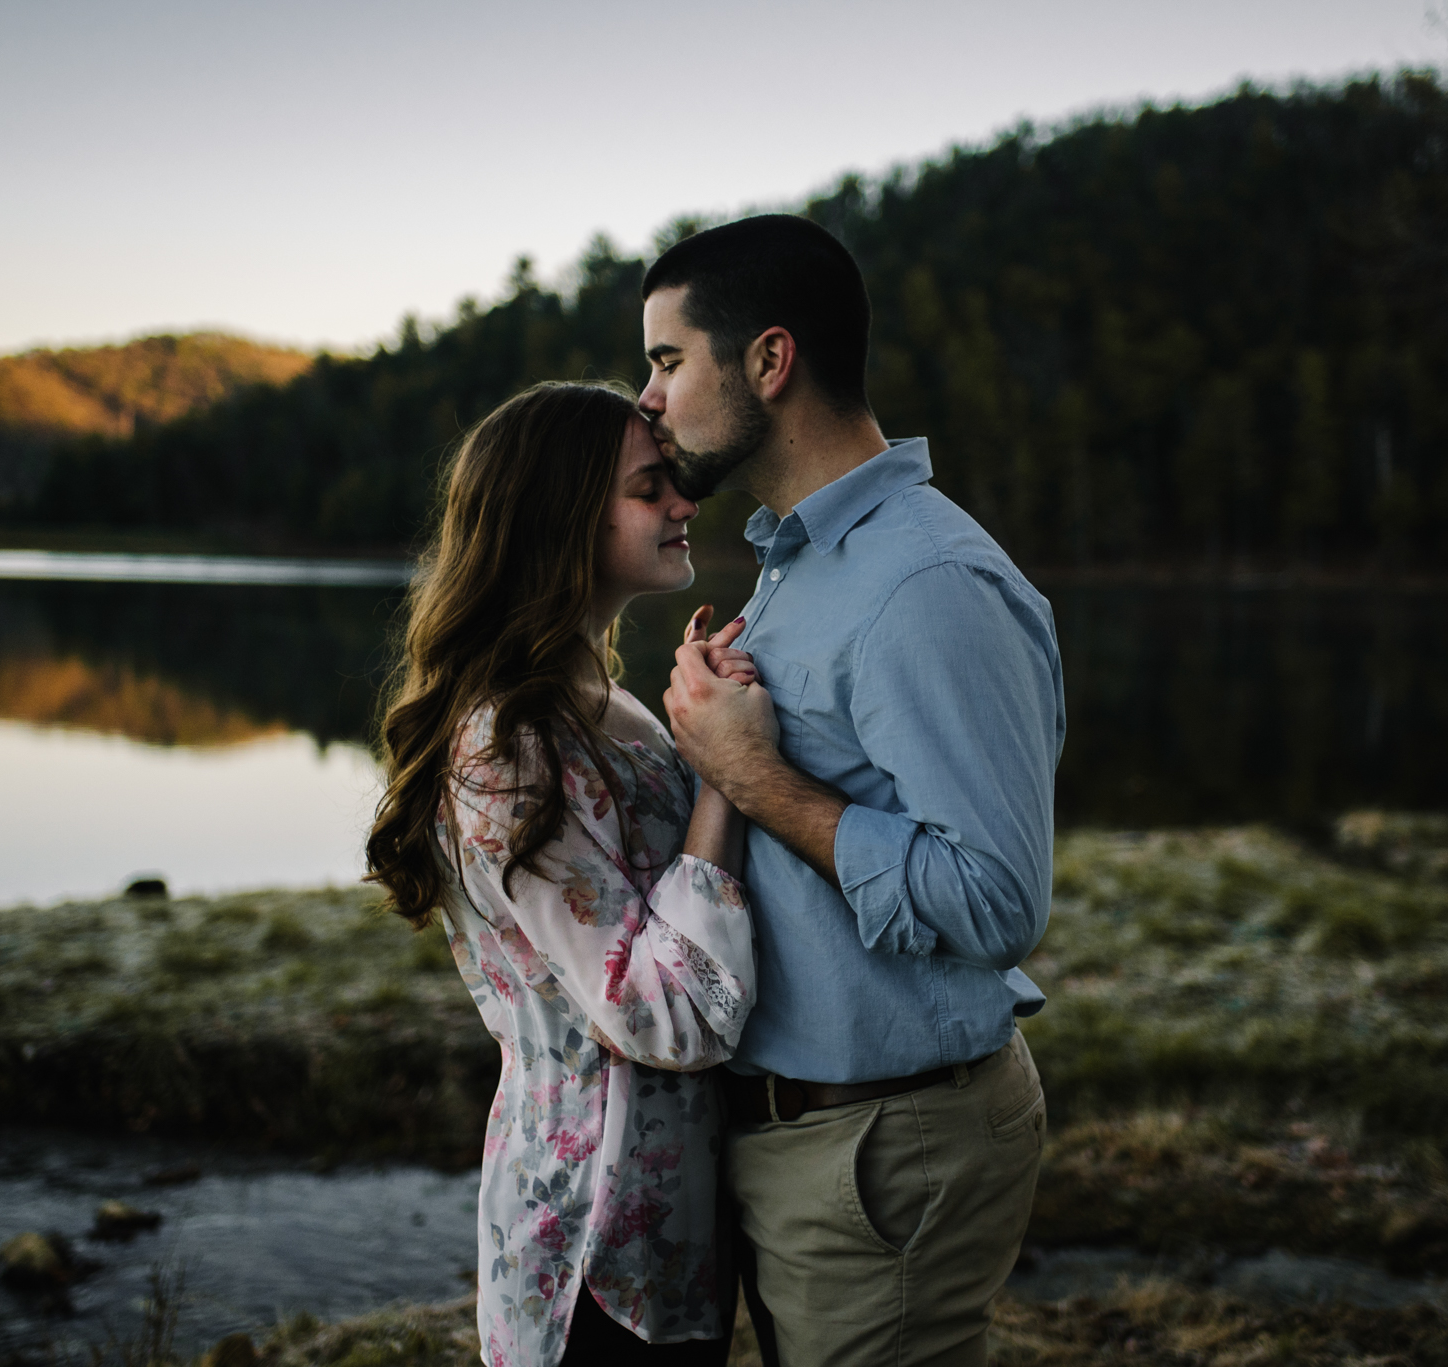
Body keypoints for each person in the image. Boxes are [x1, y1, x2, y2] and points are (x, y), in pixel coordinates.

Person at [649, 216, 1066, 1367]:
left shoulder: (927, 583)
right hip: (811, 1140)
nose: (649, 399)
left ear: (768, 362)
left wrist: (750, 775)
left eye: (668, 360)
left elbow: (994, 901)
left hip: (884, 1142)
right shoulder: (805, 561)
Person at [364, 381, 773, 1367]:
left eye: (671, 481)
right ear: (559, 519)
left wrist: (700, 727)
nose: (683, 503)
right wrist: (727, 774)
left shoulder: (608, 706)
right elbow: (659, 1012)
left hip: (670, 1234)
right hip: (591, 1249)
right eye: (649, 487)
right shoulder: (504, 744)